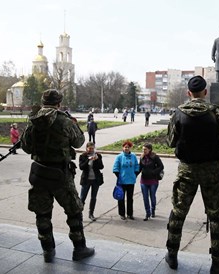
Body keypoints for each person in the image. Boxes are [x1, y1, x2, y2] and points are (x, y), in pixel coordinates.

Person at [165, 76, 219, 272]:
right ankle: (217, 261)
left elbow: (171, 141)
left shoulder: (178, 113)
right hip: (211, 170)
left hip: (187, 169)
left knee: (178, 212)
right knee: (215, 215)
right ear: (205, 92)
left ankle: (172, 255)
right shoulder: (217, 113)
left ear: (189, 93)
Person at [20, 89, 94, 263]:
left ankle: (48, 250)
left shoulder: (34, 121)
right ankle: (79, 248)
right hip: (61, 174)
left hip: (39, 173)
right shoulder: (64, 121)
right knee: (74, 211)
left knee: (42, 213)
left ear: (43, 102)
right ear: (59, 103)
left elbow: (26, 147)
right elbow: (79, 142)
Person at [112, 140, 139, 220]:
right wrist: (119, 177)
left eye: (128, 147)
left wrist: (135, 174)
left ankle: (130, 214)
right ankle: (122, 214)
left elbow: (137, 166)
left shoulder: (133, 156)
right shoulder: (119, 157)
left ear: (130, 148)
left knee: (130, 198)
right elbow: (115, 168)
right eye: (125, 147)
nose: (126, 148)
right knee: (121, 198)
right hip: (122, 181)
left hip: (131, 181)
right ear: (123, 148)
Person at [79, 142, 104, 222]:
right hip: (86, 180)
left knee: (93, 197)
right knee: (82, 198)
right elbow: (81, 167)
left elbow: (101, 167)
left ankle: (91, 213)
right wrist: (88, 160)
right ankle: (79, 214)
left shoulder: (98, 156)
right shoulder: (83, 156)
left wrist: (97, 160)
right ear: (86, 148)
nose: (91, 150)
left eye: (92, 148)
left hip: (95, 180)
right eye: (89, 148)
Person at [139, 143, 164, 221]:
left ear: (149, 149)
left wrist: (154, 172)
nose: (144, 151)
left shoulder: (155, 157)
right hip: (143, 180)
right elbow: (140, 167)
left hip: (153, 180)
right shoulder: (142, 157)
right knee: (145, 197)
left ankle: (153, 209)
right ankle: (147, 213)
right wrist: (134, 174)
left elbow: (161, 166)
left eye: (145, 149)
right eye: (143, 149)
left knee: (152, 196)